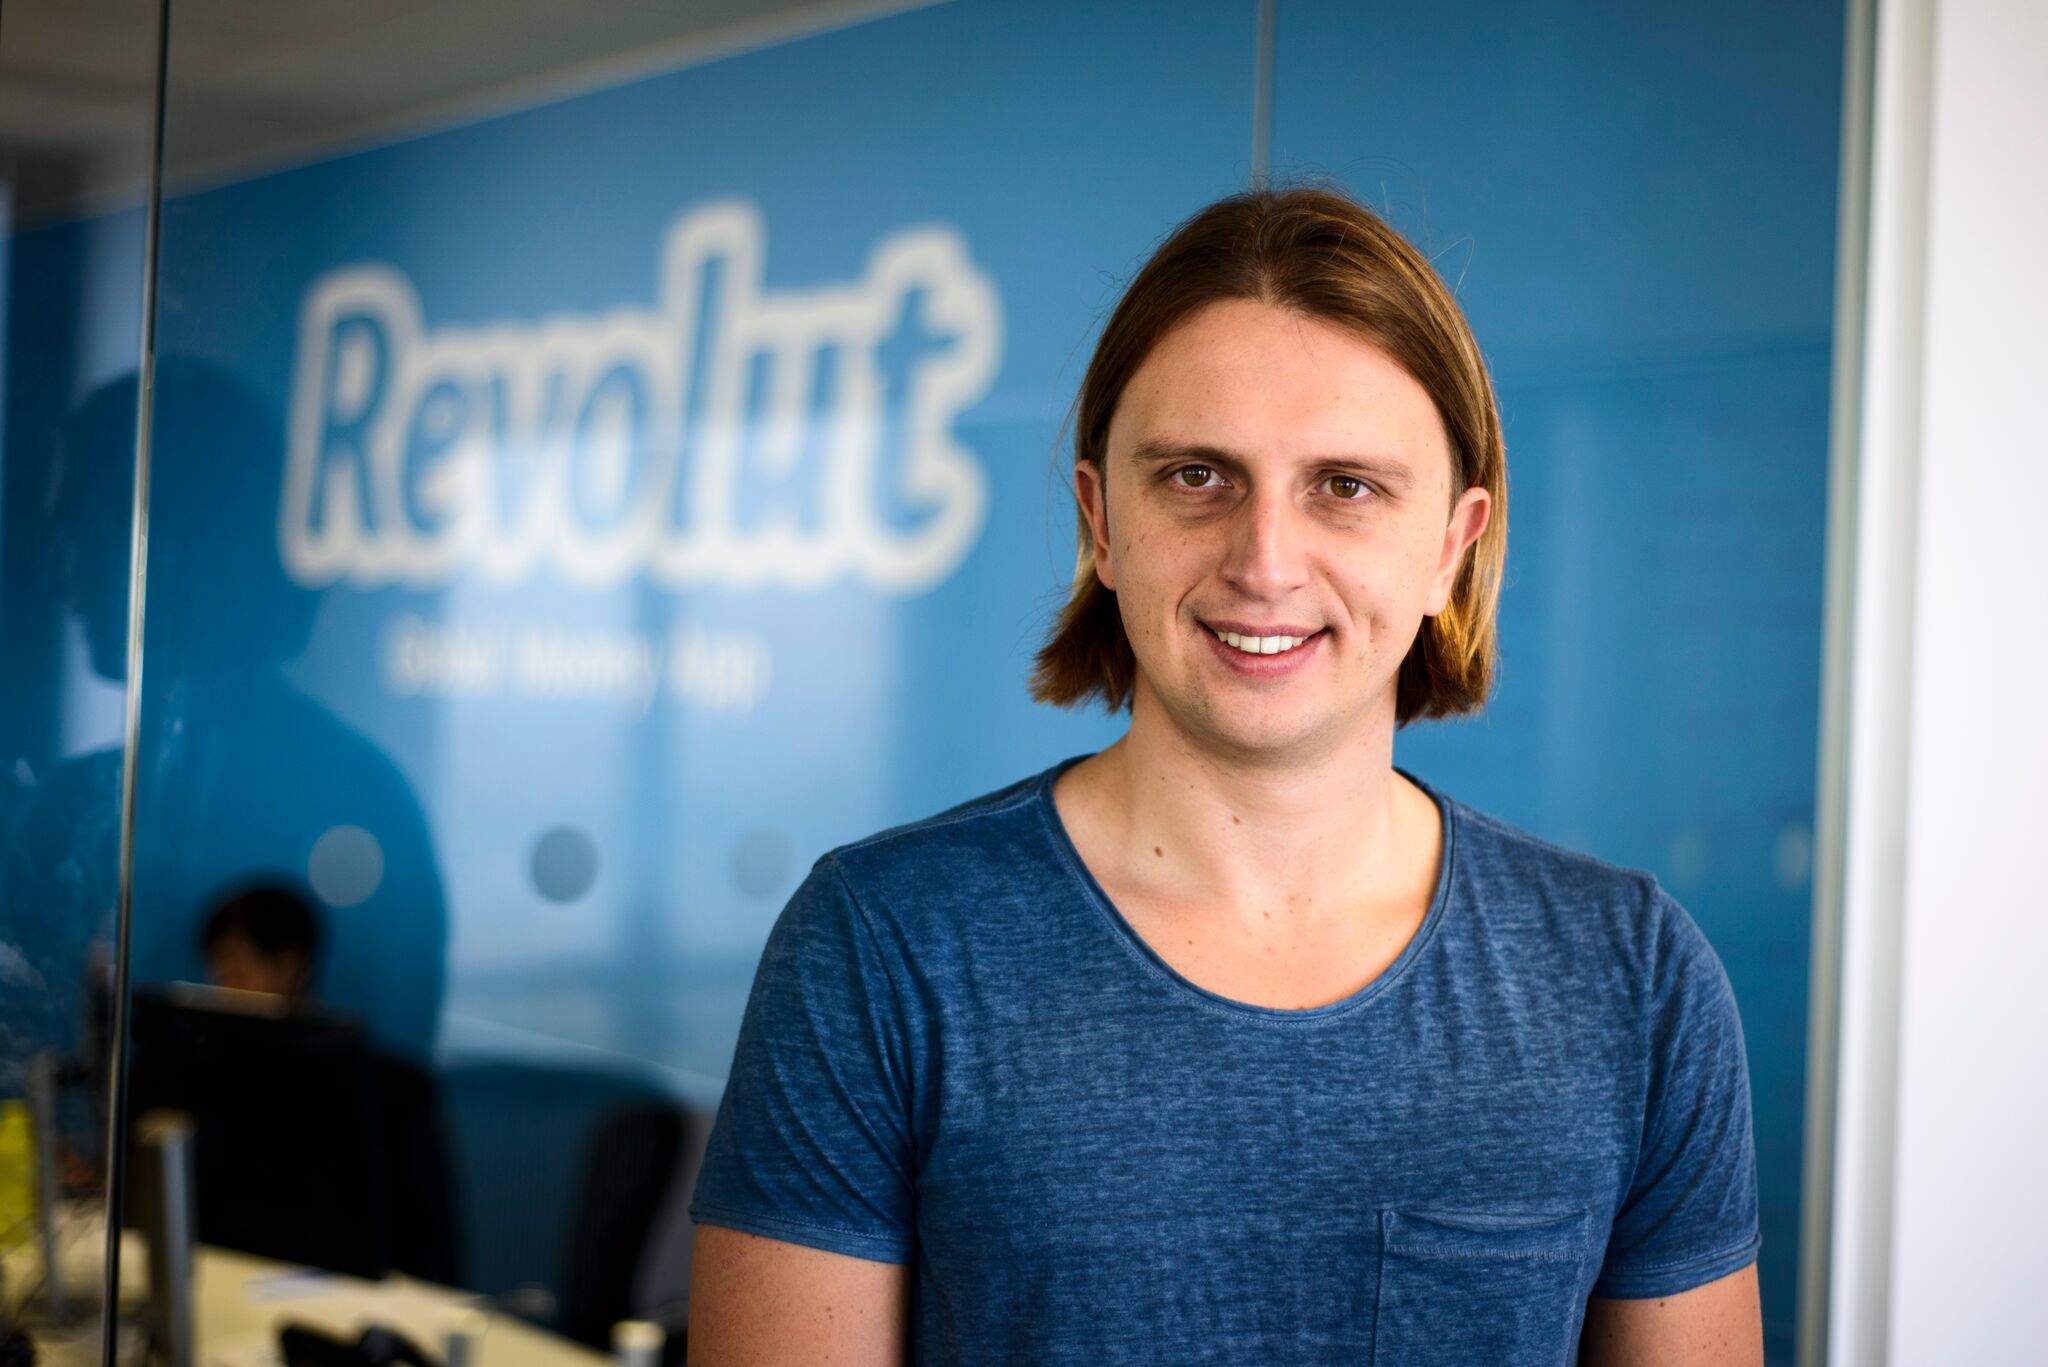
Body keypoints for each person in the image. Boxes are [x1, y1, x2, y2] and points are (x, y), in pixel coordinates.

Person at [683, 186, 1763, 1365]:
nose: (1264, 561)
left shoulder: (1629, 978)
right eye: (1197, 475)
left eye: (1344, 486)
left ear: (1449, 550)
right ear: (1101, 521)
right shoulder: (882, 946)